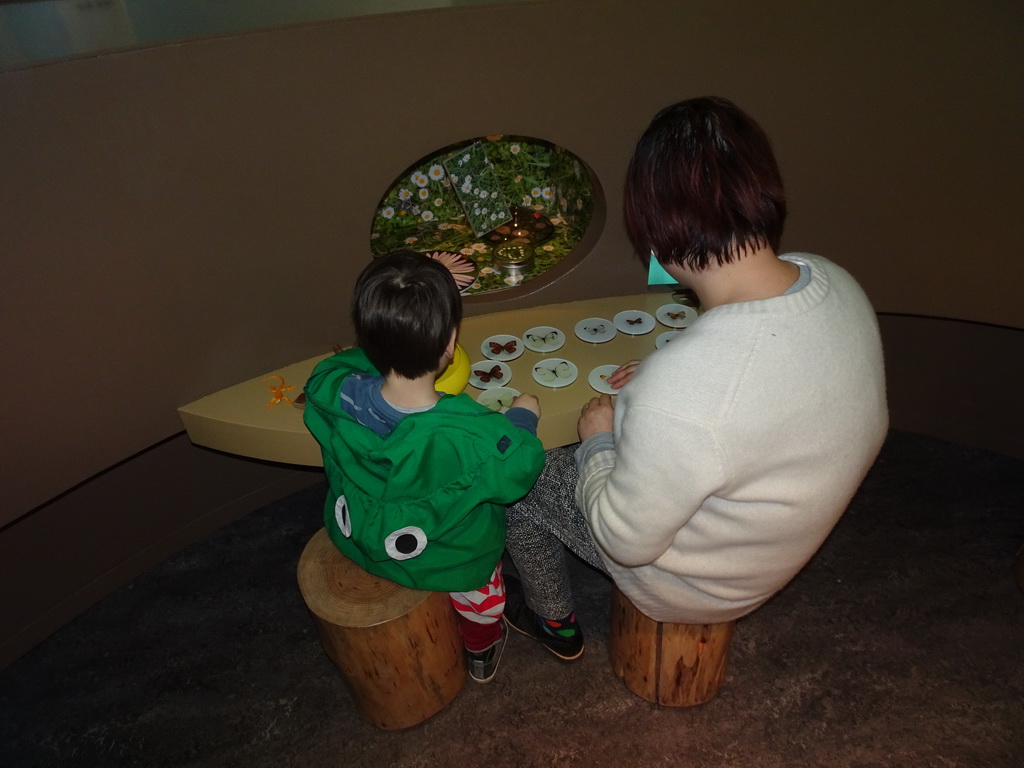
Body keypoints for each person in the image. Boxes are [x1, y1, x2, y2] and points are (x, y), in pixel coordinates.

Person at [503, 96, 888, 661]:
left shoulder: (684, 389)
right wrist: (675, 371)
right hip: (776, 540)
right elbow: (756, 359)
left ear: (657, 229)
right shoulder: (831, 277)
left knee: (522, 477)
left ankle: (551, 617)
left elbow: (624, 539)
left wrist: (600, 441)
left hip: (695, 584)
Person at [303, 250, 545, 683]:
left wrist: (389, 335)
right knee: (482, 594)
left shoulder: (333, 392)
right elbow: (521, 465)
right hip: (451, 556)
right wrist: (524, 414)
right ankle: (481, 647)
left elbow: (327, 370)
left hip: (356, 534)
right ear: (451, 344)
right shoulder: (468, 432)